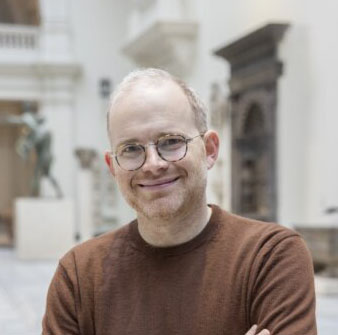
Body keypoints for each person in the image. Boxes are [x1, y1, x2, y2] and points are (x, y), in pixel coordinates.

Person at [42, 69, 317, 335]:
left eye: (171, 141)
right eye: (131, 149)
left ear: (209, 150)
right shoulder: (78, 275)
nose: (152, 164)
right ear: (112, 166)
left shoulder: (270, 256)